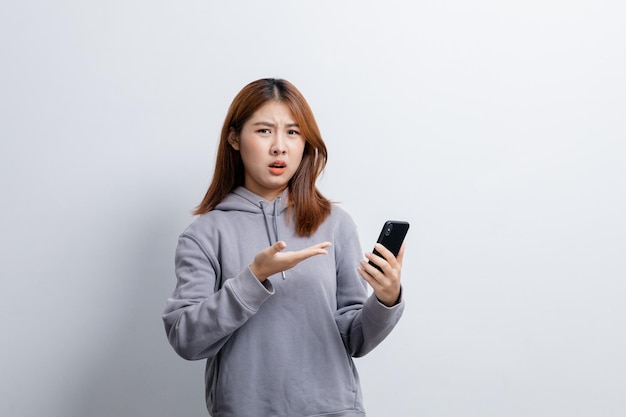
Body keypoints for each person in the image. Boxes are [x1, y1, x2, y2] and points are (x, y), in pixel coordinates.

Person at [162, 78, 406, 417]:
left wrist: (386, 299)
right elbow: (186, 339)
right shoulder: (204, 234)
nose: (280, 147)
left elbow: (355, 338)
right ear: (234, 138)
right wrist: (253, 278)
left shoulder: (336, 223)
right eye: (264, 131)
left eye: (292, 132)